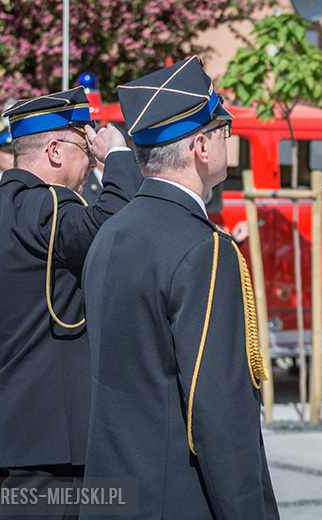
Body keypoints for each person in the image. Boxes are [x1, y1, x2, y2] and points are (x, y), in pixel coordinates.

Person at [80, 56, 279, 519]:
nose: (229, 140)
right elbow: (219, 412)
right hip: (177, 500)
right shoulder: (204, 248)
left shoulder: (109, 231)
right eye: (224, 131)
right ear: (202, 146)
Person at [0, 86, 142, 518]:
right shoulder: (43, 206)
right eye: (85, 145)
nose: (89, 158)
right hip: (55, 443)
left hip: (2, 436)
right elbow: (113, 224)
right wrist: (116, 157)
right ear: (56, 151)